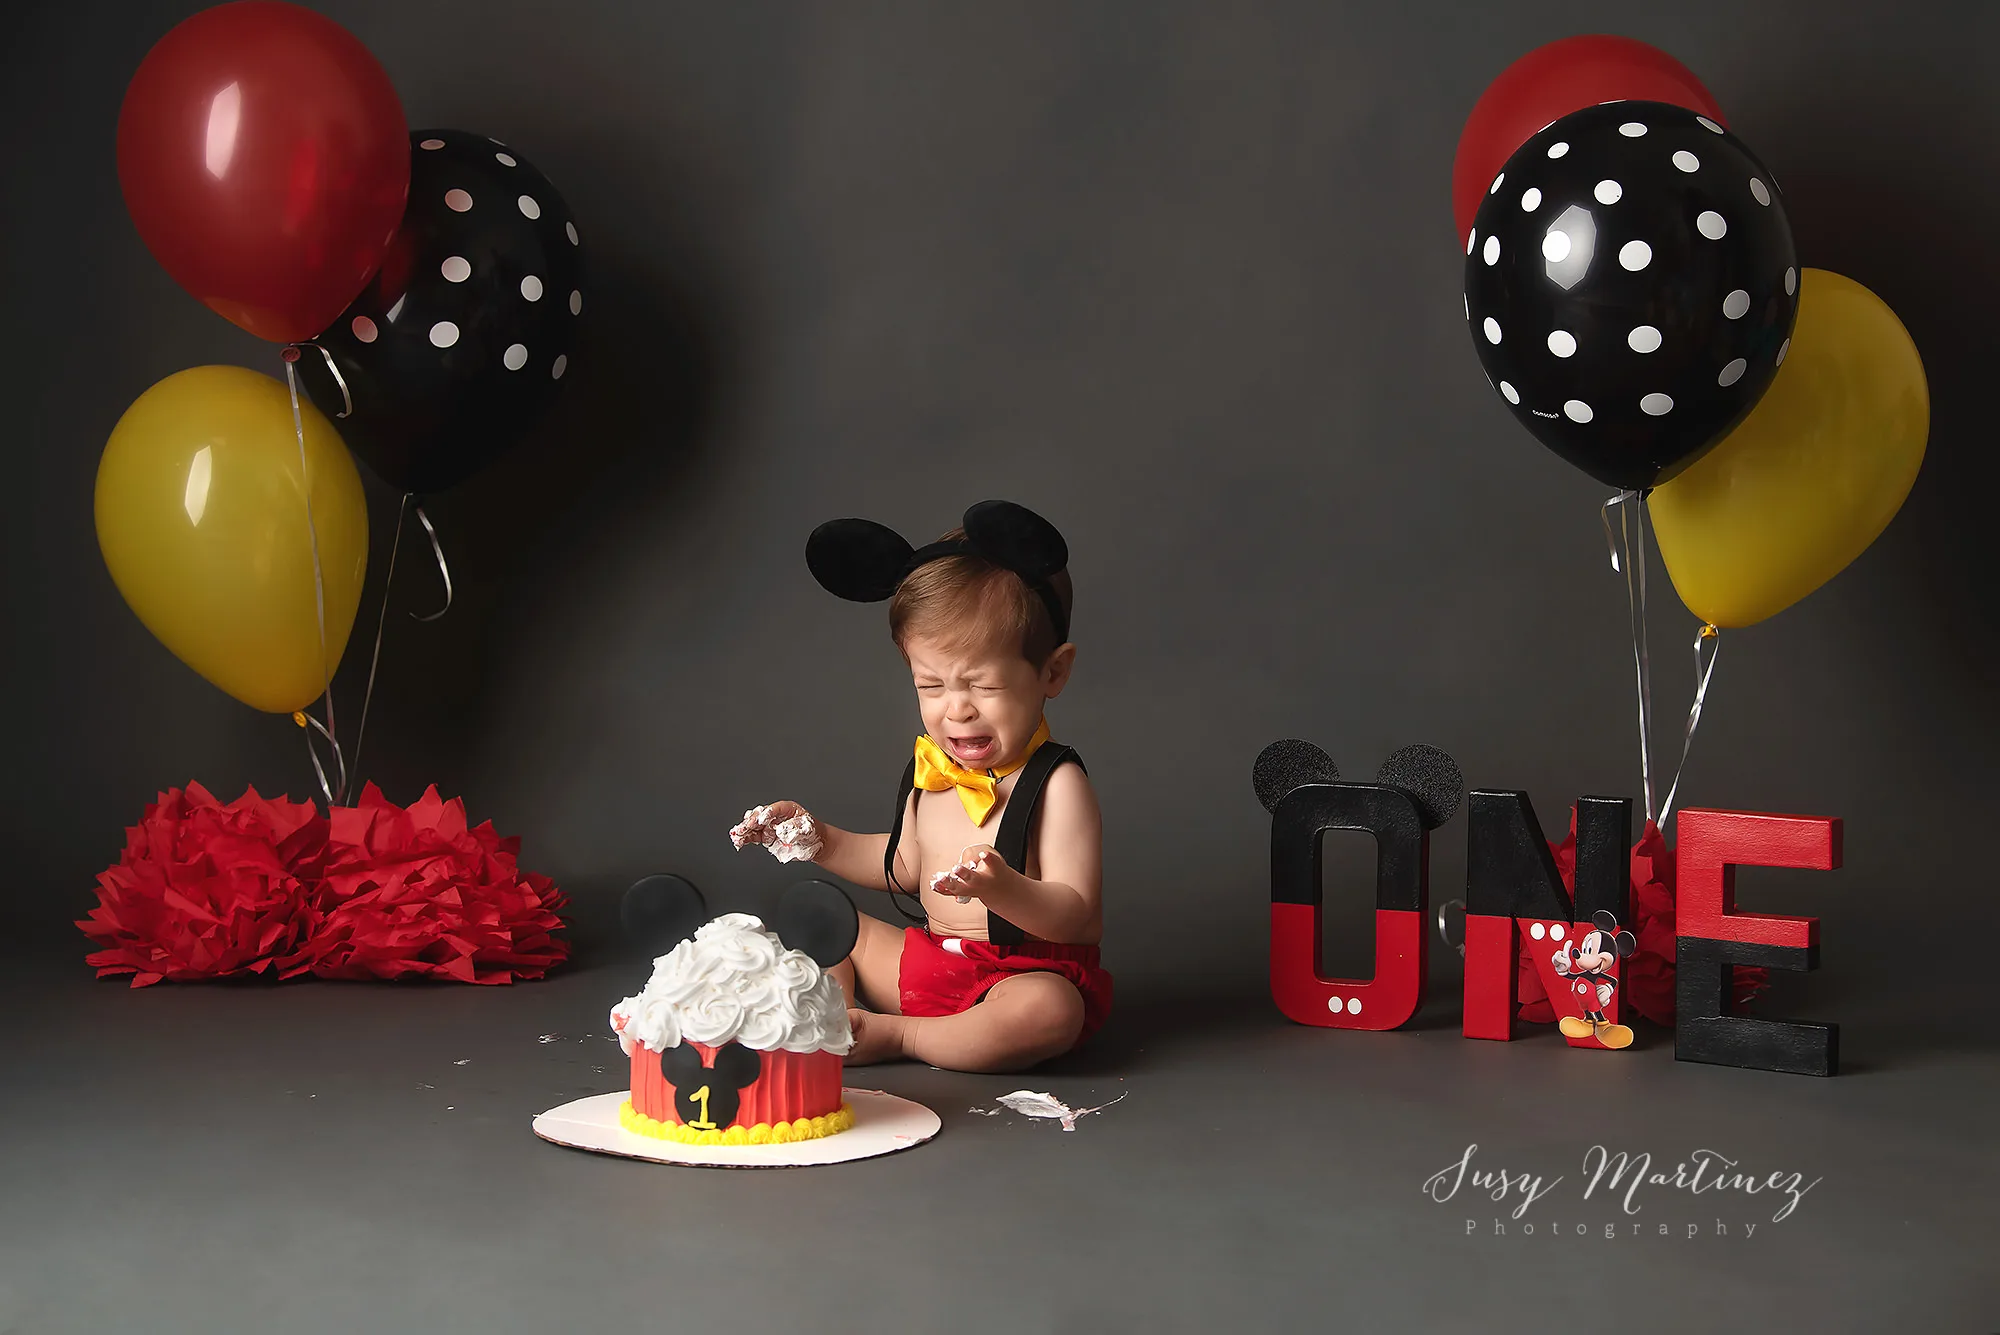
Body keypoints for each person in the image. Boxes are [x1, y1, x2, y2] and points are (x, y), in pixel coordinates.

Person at [732, 501, 1111, 1072]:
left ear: (1052, 672)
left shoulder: (1057, 783)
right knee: (820, 923)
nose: (956, 711)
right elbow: (905, 865)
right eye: (930, 685)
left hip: (1013, 979)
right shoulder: (931, 772)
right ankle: (831, 1019)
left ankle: (897, 1037)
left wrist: (1002, 888)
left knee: (1051, 1011)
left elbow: (1078, 915)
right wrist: (821, 840)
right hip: (930, 964)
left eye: (982, 685)